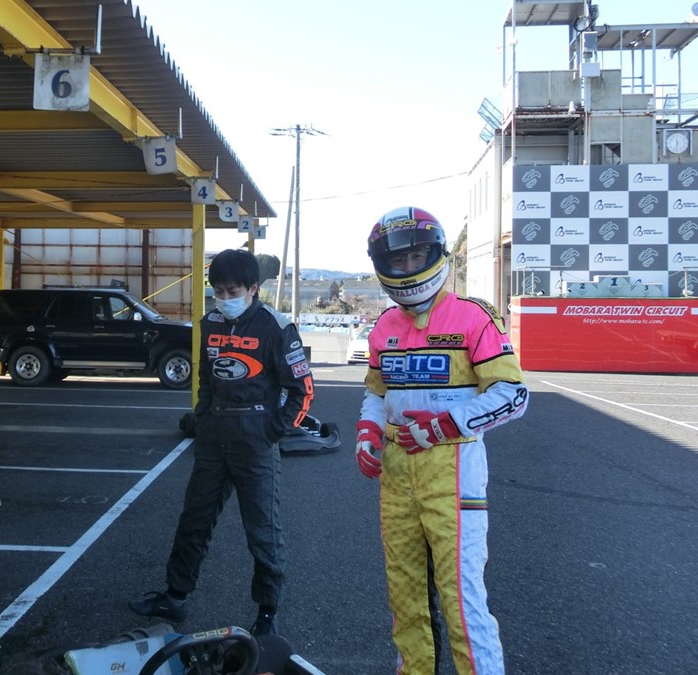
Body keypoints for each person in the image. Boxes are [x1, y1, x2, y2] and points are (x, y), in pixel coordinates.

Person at [355, 207, 528, 675]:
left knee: (461, 599)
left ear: (437, 255)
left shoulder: (474, 317)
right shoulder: (383, 327)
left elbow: (513, 394)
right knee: (404, 594)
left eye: (417, 257)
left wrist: (444, 425)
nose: (408, 267)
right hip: (397, 476)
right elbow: (377, 393)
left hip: (453, 474)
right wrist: (368, 432)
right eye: (398, 260)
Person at [130, 248, 314, 636]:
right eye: (219, 291)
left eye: (233, 292)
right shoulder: (210, 323)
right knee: (194, 520)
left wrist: (272, 431)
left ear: (253, 288)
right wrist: (202, 416)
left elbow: (303, 391)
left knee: (262, 531)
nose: (225, 299)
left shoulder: (277, 327)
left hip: (256, 441)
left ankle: (267, 612)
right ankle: (175, 597)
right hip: (214, 438)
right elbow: (205, 378)